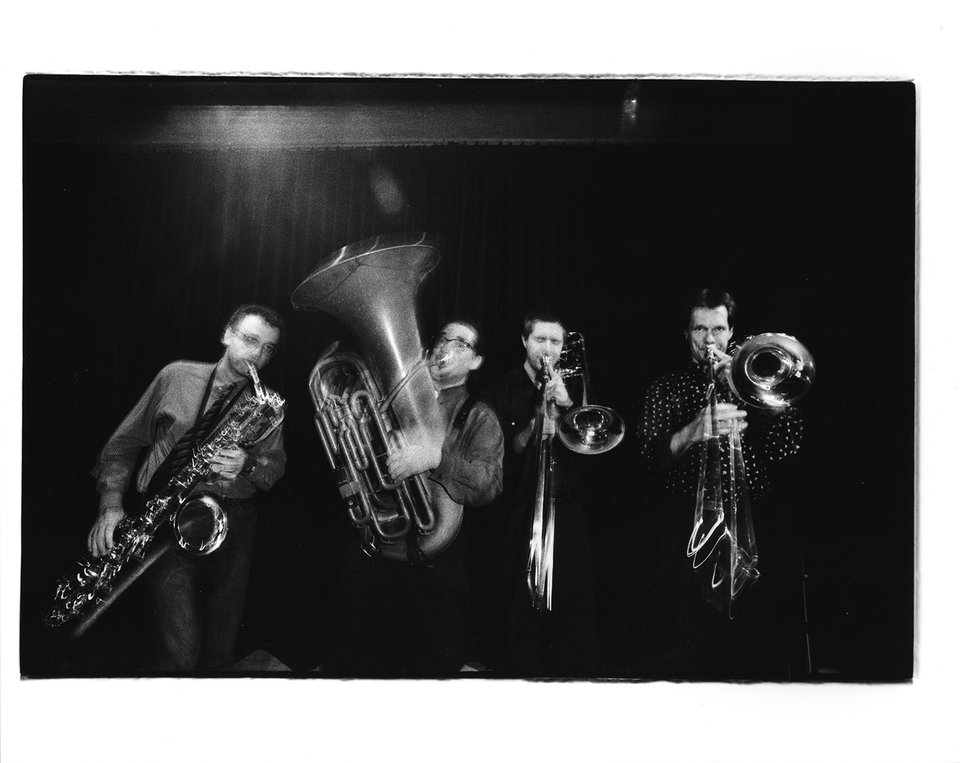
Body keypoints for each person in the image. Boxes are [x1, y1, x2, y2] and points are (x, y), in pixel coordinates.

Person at [88, 304, 287, 672]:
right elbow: (123, 445)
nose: (257, 355)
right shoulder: (175, 377)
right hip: (167, 517)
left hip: (235, 525)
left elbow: (275, 469)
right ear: (226, 335)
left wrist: (249, 464)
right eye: (250, 340)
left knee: (218, 652)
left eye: (268, 348)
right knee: (177, 653)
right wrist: (111, 504)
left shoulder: (267, 406)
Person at [639, 288, 804, 679]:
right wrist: (692, 431)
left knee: (753, 644)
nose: (709, 340)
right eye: (699, 329)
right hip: (686, 526)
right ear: (687, 335)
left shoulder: (755, 383)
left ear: (732, 333)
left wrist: (752, 394)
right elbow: (647, 461)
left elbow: (789, 448)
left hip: (754, 525)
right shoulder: (666, 387)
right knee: (690, 647)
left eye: (717, 329)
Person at [326, 318, 503, 676]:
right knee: (354, 659)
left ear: (476, 361)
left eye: (460, 343)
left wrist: (436, 459)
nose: (444, 348)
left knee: (430, 666)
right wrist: (350, 426)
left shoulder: (479, 415)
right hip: (374, 548)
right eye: (442, 338)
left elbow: (490, 483)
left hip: (433, 561)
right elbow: (358, 458)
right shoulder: (389, 399)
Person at [479, 310, 600, 676]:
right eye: (540, 340)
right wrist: (537, 419)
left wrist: (568, 405)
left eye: (555, 341)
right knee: (518, 609)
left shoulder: (576, 388)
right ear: (524, 342)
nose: (547, 348)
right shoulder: (499, 388)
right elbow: (500, 454)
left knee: (570, 611)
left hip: (566, 511)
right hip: (518, 511)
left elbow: (594, 451)